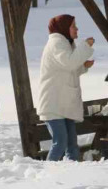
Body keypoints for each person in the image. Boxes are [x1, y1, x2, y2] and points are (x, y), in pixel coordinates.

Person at [37, 14, 95, 161]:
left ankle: (72, 174)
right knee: (60, 143)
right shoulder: (57, 43)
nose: (77, 28)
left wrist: (82, 66)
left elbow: (68, 69)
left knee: (72, 145)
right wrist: (85, 46)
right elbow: (69, 63)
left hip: (63, 104)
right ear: (64, 28)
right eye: (73, 25)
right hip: (54, 104)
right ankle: (48, 175)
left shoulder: (66, 44)